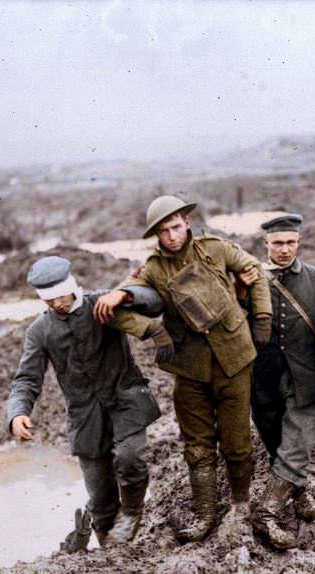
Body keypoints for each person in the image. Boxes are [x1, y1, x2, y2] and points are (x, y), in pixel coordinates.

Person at [93, 195, 272, 542]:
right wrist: (150, 326)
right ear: (156, 236)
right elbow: (115, 308)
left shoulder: (216, 249)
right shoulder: (153, 270)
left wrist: (261, 316)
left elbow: (256, 272)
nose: (172, 236)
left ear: (187, 223)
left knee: (236, 443)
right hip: (190, 368)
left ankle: (239, 508)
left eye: (176, 227)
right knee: (198, 445)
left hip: (234, 358)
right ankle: (205, 514)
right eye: (164, 231)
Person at [6, 255, 171, 549]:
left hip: (126, 400)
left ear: (72, 286)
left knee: (130, 458)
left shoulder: (101, 303)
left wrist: (124, 293)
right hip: (85, 417)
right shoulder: (40, 331)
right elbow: (26, 379)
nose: (57, 305)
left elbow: (154, 301)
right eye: (49, 301)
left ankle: (133, 510)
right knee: (100, 495)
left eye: (60, 296)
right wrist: (18, 413)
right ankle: (110, 550)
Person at [240, 213, 315, 549]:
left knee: (297, 442)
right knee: (277, 445)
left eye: (291, 242)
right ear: (265, 244)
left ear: (299, 243)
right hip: (263, 379)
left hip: (307, 378)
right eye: (278, 243)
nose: (285, 249)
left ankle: (265, 513)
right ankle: (300, 493)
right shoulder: (250, 280)